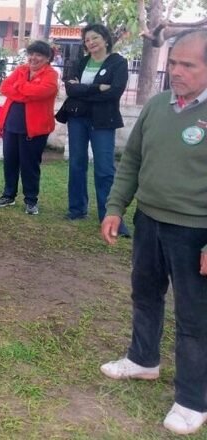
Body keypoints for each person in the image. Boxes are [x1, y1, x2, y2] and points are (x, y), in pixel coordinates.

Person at [99, 29, 207, 436]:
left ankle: (193, 399)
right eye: (173, 63)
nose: (176, 72)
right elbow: (132, 161)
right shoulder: (158, 105)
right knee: (145, 294)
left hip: (194, 231)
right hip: (149, 220)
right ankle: (144, 359)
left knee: (195, 317)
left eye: (188, 65)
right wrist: (115, 208)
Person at [61, 24, 131, 237]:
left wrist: (82, 92)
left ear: (106, 39)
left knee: (104, 169)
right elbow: (70, 89)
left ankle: (108, 215)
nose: (90, 43)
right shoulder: (82, 62)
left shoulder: (118, 62)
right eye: (87, 40)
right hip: (77, 119)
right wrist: (97, 88)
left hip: (103, 121)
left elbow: (114, 92)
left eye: (94, 38)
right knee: (77, 164)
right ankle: (77, 209)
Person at [0, 40, 58, 215]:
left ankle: (31, 200)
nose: (33, 58)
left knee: (30, 165)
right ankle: (8, 195)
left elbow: (41, 92)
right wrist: (26, 91)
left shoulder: (51, 74)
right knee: (10, 161)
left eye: (38, 55)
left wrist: (20, 88)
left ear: (47, 58)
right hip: (11, 124)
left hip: (34, 128)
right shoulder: (21, 69)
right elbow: (5, 87)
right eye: (31, 54)